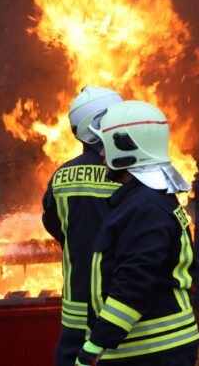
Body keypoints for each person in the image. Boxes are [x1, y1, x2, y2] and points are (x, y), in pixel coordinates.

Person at [76, 100, 199, 365]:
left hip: (152, 352)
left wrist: (96, 344)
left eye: (105, 146)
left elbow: (134, 281)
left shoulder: (146, 208)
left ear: (126, 147)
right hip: (151, 350)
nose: (100, 154)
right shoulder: (146, 201)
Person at [42, 86, 123, 366]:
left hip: (74, 315)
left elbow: (54, 226)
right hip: (120, 313)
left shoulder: (60, 177)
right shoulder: (129, 175)